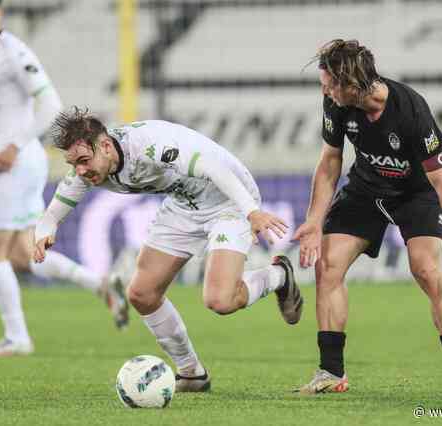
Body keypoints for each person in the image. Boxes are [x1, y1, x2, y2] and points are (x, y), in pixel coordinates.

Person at [33, 108, 304, 392]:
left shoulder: (152, 147)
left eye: (84, 161)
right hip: (184, 203)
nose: (80, 171)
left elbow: (214, 169)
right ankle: (191, 373)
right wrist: (45, 229)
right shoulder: (88, 166)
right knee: (141, 294)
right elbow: (54, 212)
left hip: (228, 199)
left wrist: (252, 212)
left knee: (221, 300)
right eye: (73, 164)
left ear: (104, 146)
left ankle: (279, 275)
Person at [293, 39, 442, 395]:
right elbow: (330, 161)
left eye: (330, 85)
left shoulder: (411, 110)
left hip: (415, 195)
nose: (325, 91)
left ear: (351, 84)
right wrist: (315, 221)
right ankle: (331, 373)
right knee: (327, 266)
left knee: (426, 271)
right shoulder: (336, 104)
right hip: (365, 190)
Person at [0, 0, 128, 358]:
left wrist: (15, 146)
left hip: (15, 165)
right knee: (22, 253)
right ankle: (100, 284)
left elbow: (52, 105)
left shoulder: (13, 53)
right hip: (18, 163)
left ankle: (16, 337)